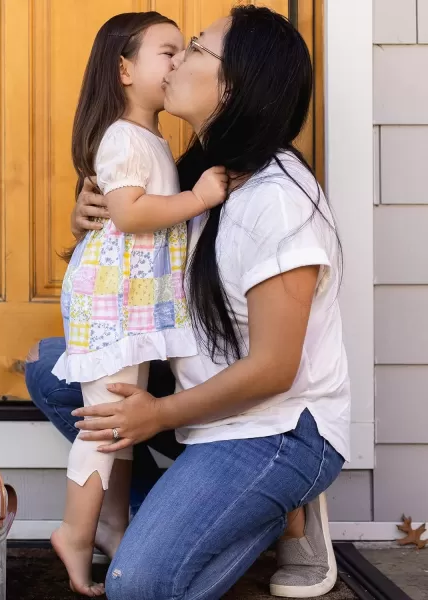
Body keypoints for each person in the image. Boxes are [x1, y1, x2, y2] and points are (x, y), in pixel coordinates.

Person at [26, 6, 350, 599]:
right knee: (52, 370)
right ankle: (192, 511)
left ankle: (278, 507)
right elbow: (139, 269)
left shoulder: (278, 202)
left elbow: (275, 369)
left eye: (196, 48)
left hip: (271, 426)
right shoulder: (197, 172)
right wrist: (90, 226)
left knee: (138, 585)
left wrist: (159, 415)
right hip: (202, 403)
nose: (178, 59)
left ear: (234, 85)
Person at [49, 12, 228, 597]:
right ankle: (74, 534)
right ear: (124, 70)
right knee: (104, 425)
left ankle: (112, 523)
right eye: (166, 53)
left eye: (185, 52)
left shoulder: (148, 137)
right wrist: (199, 196)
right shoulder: (124, 137)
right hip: (112, 307)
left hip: (135, 305)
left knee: (122, 418)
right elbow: (128, 213)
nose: (178, 63)